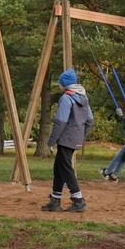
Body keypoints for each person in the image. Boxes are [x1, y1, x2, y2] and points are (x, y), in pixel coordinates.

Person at [43, 69, 93, 212]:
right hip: (75, 137)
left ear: (64, 84)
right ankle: (55, 200)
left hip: (66, 138)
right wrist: (82, 136)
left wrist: (51, 141)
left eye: (60, 83)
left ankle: (78, 200)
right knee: (59, 168)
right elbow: (90, 120)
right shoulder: (83, 97)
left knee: (65, 168)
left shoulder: (66, 98)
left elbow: (61, 122)